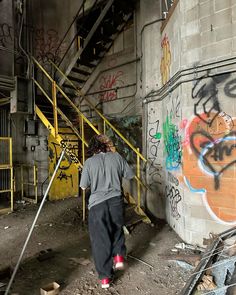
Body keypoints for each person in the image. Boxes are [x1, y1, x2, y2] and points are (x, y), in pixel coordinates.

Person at [79, 134, 134, 289]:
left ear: (93, 147)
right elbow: (130, 175)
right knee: (117, 230)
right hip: (116, 201)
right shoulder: (117, 157)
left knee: (100, 240)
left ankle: (105, 278)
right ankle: (118, 257)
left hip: (97, 206)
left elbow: (83, 186)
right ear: (108, 145)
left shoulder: (89, 162)